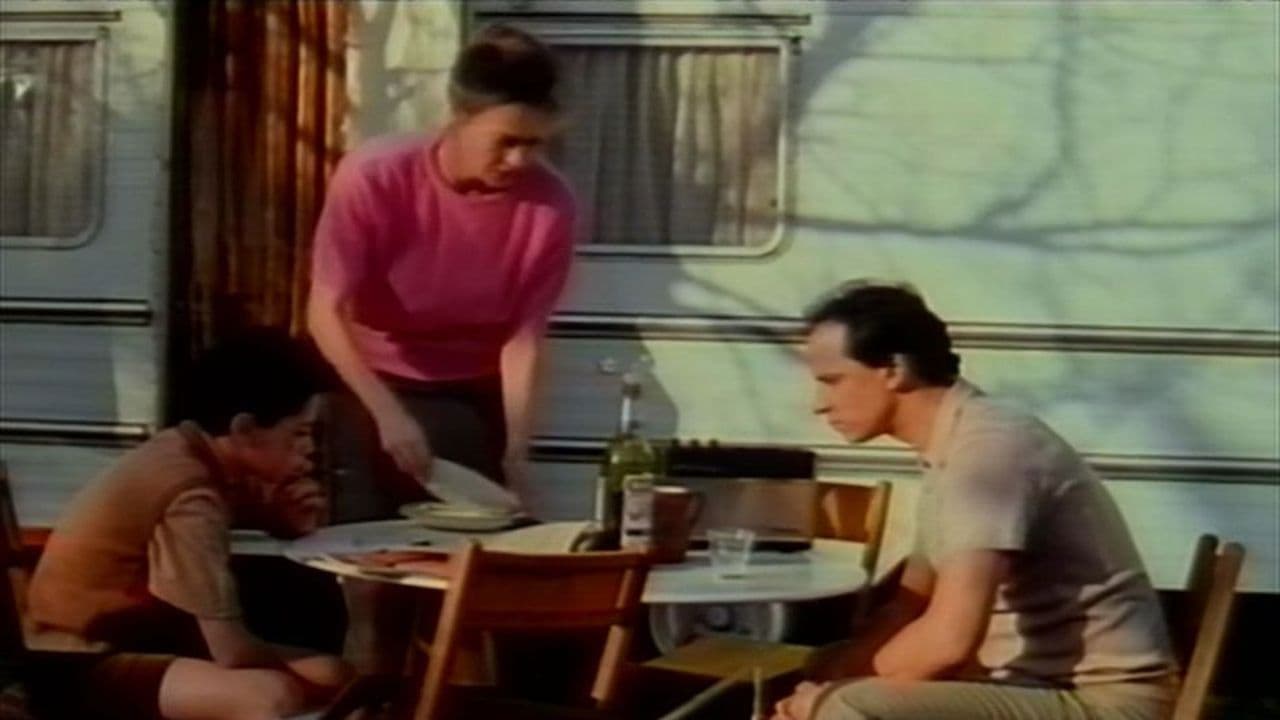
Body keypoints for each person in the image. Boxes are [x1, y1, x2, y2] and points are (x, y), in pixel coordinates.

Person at [773, 282, 1177, 720]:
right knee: (824, 675)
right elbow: (910, 603)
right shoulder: (951, 447)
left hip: (1098, 701)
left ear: (894, 369)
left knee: (846, 707)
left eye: (832, 381)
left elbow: (948, 642)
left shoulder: (987, 453)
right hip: (1030, 687)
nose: (819, 405)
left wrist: (832, 694)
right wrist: (828, 676)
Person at [307, 22, 575, 522]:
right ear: (459, 117)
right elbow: (325, 312)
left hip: (470, 391)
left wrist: (517, 450)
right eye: (506, 141)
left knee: (473, 535)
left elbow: (523, 340)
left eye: (535, 144)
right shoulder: (375, 176)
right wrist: (388, 415)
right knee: (363, 537)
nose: (519, 160)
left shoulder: (551, 205)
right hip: (368, 379)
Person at [24, 329, 352, 720]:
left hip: (136, 640)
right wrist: (312, 682)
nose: (309, 450)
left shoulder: (190, 450)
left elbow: (243, 511)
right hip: (79, 661)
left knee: (329, 669)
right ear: (245, 429)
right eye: (299, 434)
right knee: (272, 696)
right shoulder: (190, 492)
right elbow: (230, 650)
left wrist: (283, 517)